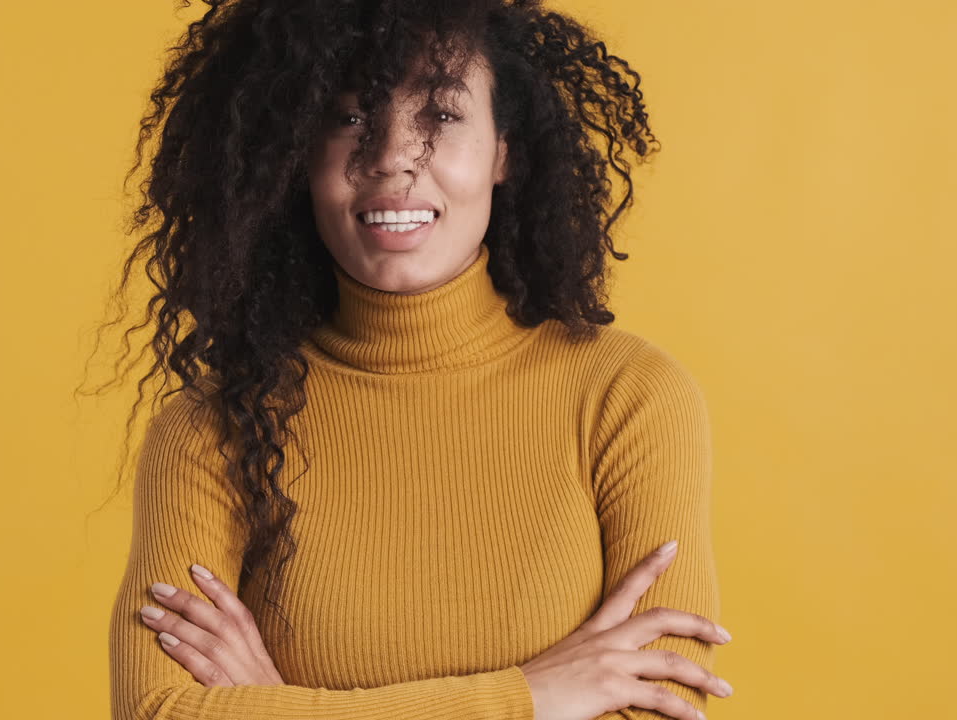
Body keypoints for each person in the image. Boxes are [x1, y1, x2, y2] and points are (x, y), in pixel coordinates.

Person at [103, 1, 732, 719]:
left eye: (439, 115)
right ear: (295, 155)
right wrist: (531, 697)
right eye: (347, 117)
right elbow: (158, 711)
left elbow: (657, 708)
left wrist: (279, 707)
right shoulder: (210, 429)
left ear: (505, 149)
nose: (392, 155)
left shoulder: (627, 397)